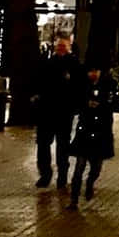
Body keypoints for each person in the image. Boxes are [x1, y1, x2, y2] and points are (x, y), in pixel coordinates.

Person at [66, 64, 119, 209]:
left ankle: (90, 183)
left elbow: (118, 107)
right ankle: (74, 199)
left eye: (95, 71)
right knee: (79, 167)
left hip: (101, 132)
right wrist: (86, 104)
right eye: (90, 71)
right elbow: (73, 105)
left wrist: (104, 104)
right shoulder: (82, 88)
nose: (92, 74)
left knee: (96, 167)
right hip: (85, 131)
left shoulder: (109, 88)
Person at [33, 36, 82, 189]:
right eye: (59, 45)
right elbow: (39, 83)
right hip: (47, 111)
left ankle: (62, 175)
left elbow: (77, 87)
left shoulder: (74, 64)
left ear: (68, 47)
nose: (60, 48)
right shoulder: (46, 63)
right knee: (43, 144)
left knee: (63, 145)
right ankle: (45, 174)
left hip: (63, 111)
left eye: (63, 45)